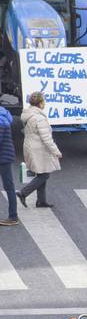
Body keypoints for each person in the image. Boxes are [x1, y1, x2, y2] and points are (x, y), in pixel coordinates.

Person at [16, 93, 59, 210]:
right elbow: (46, 138)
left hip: (30, 146)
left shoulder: (28, 114)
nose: (44, 103)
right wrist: (56, 151)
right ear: (40, 103)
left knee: (42, 173)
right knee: (44, 175)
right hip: (38, 149)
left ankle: (41, 201)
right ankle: (23, 193)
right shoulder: (39, 118)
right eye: (43, 101)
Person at [0, 97, 14, 226]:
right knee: (9, 187)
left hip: (3, 158)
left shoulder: (0, 121)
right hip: (6, 157)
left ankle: (13, 216)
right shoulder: (4, 116)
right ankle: (13, 215)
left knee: (9, 187)